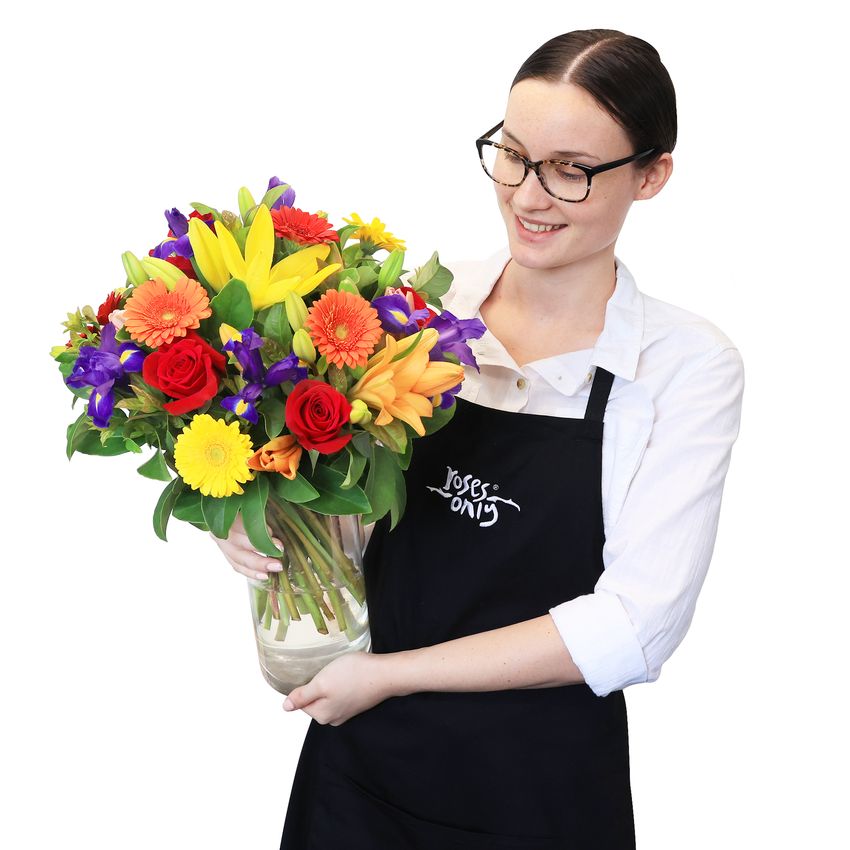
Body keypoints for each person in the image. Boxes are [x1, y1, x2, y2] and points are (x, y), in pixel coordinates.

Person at [213, 28, 745, 849]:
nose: (529, 196)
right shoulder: (422, 309)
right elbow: (350, 518)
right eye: (514, 155)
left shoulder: (682, 367)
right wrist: (266, 514)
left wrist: (390, 676)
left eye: (572, 171)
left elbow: (634, 624)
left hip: (539, 794)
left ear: (651, 175)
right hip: (361, 776)